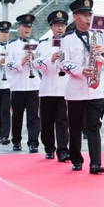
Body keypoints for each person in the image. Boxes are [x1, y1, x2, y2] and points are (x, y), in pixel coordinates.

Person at [60, 0, 104, 174]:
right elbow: (63, 63)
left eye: (90, 14)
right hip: (76, 91)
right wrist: (81, 71)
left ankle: (95, 163)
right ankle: (76, 159)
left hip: (95, 90)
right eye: (84, 15)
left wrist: (103, 53)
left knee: (95, 126)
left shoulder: (98, 36)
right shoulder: (67, 39)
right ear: (75, 17)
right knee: (75, 127)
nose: (88, 18)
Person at [33, 11, 70, 161]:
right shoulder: (42, 45)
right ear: (51, 27)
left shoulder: (70, 43)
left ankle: (62, 150)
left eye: (62, 25)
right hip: (47, 89)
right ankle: (49, 148)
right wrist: (51, 59)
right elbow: (36, 63)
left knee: (63, 121)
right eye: (57, 26)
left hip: (65, 88)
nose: (60, 29)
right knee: (47, 122)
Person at [6, 14, 41, 153]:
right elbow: (8, 65)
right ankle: (16, 141)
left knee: (33, 116)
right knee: (17, 115)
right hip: (18, 85)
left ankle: (33, 142)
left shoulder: (37, 44)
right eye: (24, 26)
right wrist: (21, 62)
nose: (27, 29)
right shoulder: (12, 46)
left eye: (29, 27)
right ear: (19, 27)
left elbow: (42, 64)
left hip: (33, 85)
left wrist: (34, 59)